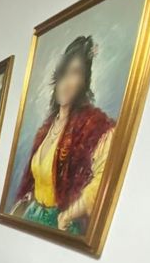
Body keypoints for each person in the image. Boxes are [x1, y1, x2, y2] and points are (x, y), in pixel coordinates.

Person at [12, 36, 115, 235]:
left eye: (75, 73)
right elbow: (35, 182)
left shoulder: (93, 126)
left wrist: (68, 215)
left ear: (84, 82)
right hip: (33, 217)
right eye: (64, 74)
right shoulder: (46, 129)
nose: (66, 82)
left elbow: (103, 177)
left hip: (59, 225)